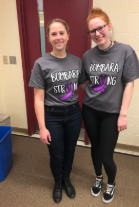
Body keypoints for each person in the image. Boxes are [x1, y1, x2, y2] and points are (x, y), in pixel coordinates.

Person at [78, 8, 139, 204]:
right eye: (92, 31)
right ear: (89, 34)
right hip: (90, 109)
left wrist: (123, 114)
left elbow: (130, 83)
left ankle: (111, 182)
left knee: (107, 155)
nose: (97, 34)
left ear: (109, 26)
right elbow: (83, 81)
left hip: (112, 113)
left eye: (100, 28)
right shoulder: (87, 56)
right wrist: (92, 90)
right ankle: (98, 178)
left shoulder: (125, 51)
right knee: (95, 148)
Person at [29, 19, 86, 203]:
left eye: (61, 33)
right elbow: (38, 99)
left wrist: (106, 84)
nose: (58, 37)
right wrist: (42, 127)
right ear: (49, 37)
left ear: (68, 36)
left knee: (70, 150)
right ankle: (57, 182)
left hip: (73, 113)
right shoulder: (41, 64)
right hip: (51, 115)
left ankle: (66, 179)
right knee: (57, 153)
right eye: (54, 34)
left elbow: (84, 85)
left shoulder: (77, 61)